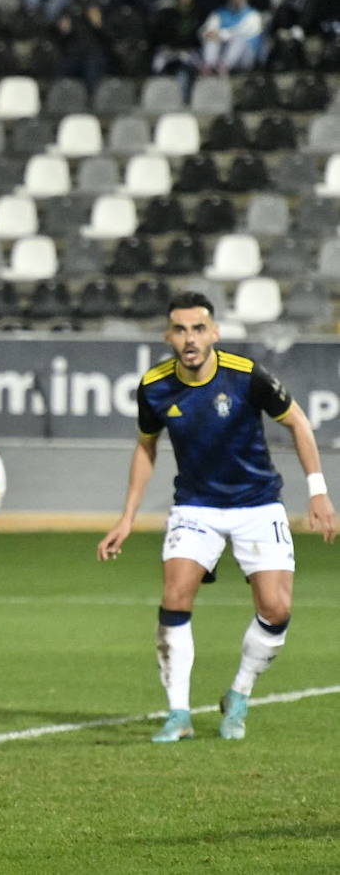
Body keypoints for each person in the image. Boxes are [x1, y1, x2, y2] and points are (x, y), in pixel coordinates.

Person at [97, 292, 336, 743]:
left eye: (198, 328)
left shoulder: (246, 377)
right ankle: (178, 714)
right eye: (181, 329)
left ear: (215, 333)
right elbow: (146, 447)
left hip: (257, 503)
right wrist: (126, 517)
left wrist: (318, 492)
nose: (190, 338)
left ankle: (239, 694)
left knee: (277, 608)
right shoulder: (154, 386)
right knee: (175, 594)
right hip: (196, 507)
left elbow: (299, 423)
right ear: (169, 335)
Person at [199, 0, 264, 74]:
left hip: (244, 57)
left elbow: (242, 32)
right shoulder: (219, 13)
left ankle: (224, 65)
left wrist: (221, 35)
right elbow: (206, 30)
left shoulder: (253, 15)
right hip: (223, 51)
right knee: (210, 37)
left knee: (239, 38)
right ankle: (209, 65)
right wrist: (210, 34)